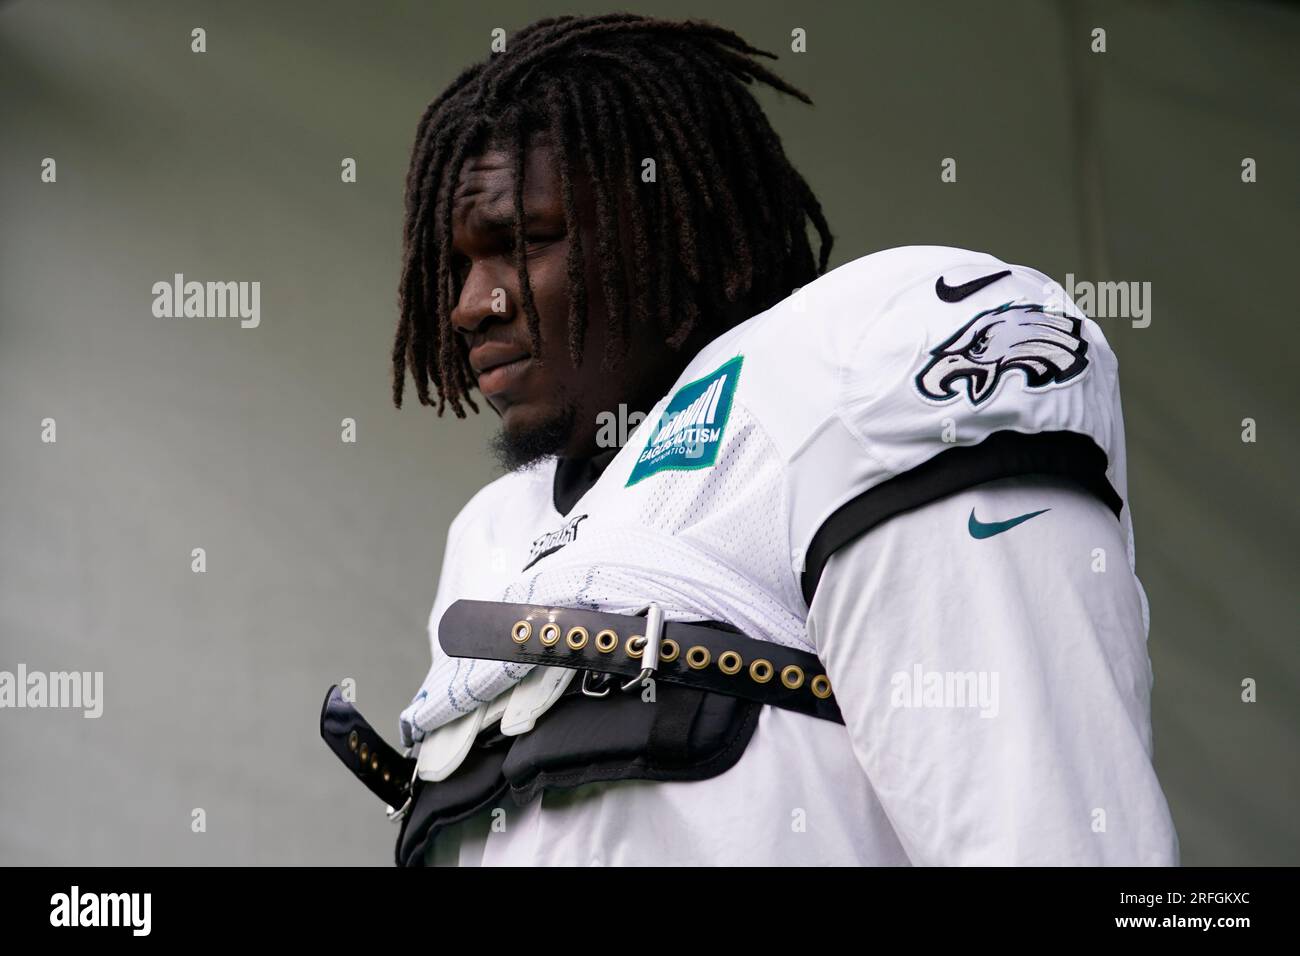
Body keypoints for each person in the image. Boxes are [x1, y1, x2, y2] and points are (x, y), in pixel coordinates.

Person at [323, 13, 1179, 866]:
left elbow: (1049, 837)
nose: (472, 304)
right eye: (458, 267)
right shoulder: (489, 535)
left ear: (686, 238)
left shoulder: (852, 363)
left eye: (527, 242)